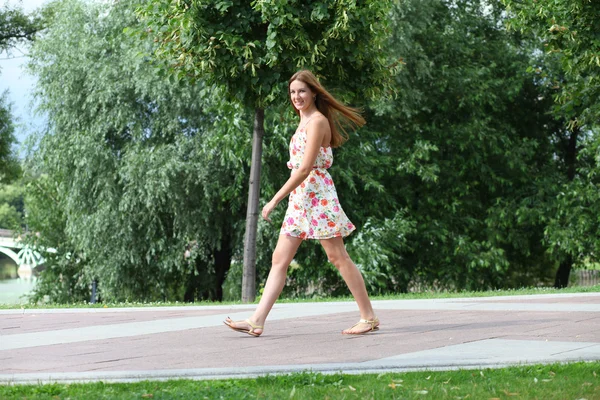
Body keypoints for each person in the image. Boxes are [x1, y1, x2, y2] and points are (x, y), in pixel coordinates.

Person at [224, 70, 379, 336]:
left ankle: (368, 317)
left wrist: (274, 199)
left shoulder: (317, 121)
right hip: (301, 198)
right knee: (279, 259)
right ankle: (256, 320)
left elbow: (306, 168)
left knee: (337, 257)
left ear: (314, 93)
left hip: (317, 195)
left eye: (302, 91)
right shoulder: (303, 120)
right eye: (293, 92)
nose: (296, 96)